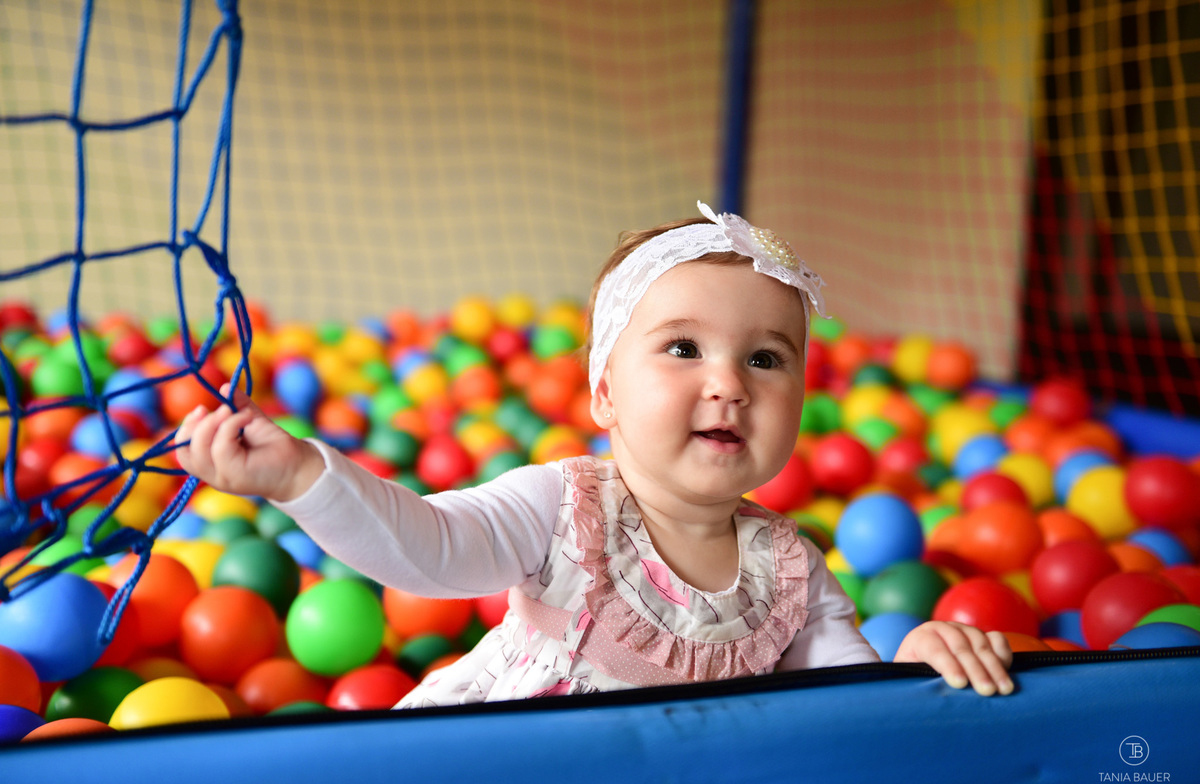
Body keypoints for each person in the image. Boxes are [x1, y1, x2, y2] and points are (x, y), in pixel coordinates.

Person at [175, 201, 1014, 706]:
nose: (729, 382)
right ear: (605, 393)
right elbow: (425, 547)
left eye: (765, 357)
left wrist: (916, 664)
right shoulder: (564, 507)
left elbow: (847, 712)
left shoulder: (792, 571)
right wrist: (298, 476)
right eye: (683, 348)